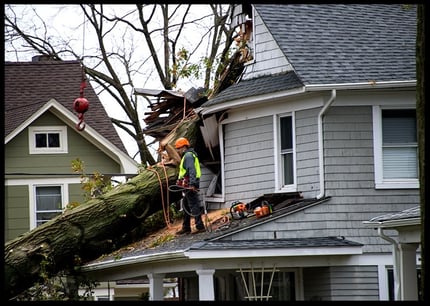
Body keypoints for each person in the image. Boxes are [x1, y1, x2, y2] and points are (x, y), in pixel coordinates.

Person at [174, 137, 206, 235]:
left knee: (194, 205)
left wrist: (192, 184)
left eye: (178, 148)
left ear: (183, 147)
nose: (178, 151)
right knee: (186, 205)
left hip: (190, 184)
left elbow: (192, 170)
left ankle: (200, 226)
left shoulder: (188, 156)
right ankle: (186, 227)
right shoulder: (189, 155)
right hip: (187, 184)